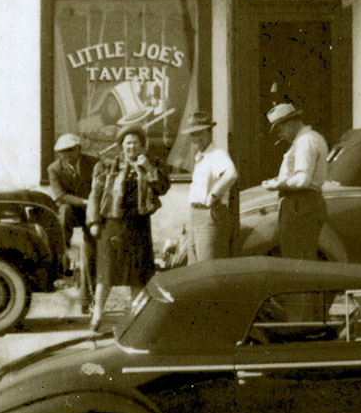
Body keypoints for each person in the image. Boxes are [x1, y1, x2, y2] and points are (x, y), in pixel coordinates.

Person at [88, 125, 169, 331]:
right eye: (127, 143)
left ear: (141, 145)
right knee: (106, 273)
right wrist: (94, 222)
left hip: (138, 225)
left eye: (135, 143)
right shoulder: (108, 165)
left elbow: (163, 188)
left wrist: (148, 168)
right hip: (112, 224)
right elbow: (95, 194)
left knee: (138, 273)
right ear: (121, 146)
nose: (131, 146)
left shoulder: (151, 163)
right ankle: (98, 313)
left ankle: (135, 316)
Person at [261, 102, 327, 260]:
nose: (280, 135)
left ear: (290, 124)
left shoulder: (305, 141)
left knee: (296, 257)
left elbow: (302, 180)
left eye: (280, 129)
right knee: (301, 254)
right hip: (304, 203)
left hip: (300, 203)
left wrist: (277, 184)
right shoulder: (309, 138)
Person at [46, 132, 96, 312]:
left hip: (92, 210)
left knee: (92, 252)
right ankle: (63, 252)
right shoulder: (54, 169)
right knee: (64, 211)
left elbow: (101, 186)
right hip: (74, 210)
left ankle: (89, 297)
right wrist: (84, 202)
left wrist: (93, 203)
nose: (66, 155)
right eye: (62, 152)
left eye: (70, 150)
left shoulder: (93, 163)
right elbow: (60, 196)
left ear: (78, 149)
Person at [182, 112, 238, 262]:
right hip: (196, 215)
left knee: (209, 268)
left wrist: (214, 194)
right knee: (195, 269)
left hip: (211, 215)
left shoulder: (216, 154)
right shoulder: (202, 156)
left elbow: (231, 174)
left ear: (209, 132)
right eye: (193, 134)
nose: (196, 138)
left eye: (200, 133)